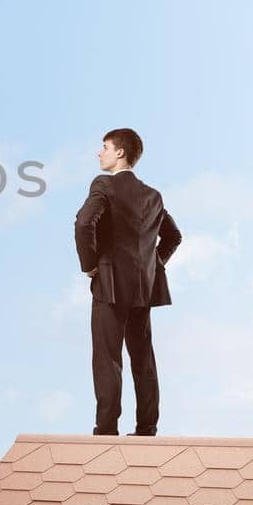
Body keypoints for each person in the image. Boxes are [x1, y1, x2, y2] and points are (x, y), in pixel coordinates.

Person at [74, 128, 182, 436]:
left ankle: (107, 429)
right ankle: (147, 427)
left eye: (104, 147)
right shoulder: (152, 196)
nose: (100, 152)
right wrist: (152, 264)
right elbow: (173, 237)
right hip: (142, 288)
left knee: (108, 358)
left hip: (108, 284)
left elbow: (84, 224)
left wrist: (91, 266)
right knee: (143, 358)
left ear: (120, 152)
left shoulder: (104, 185)